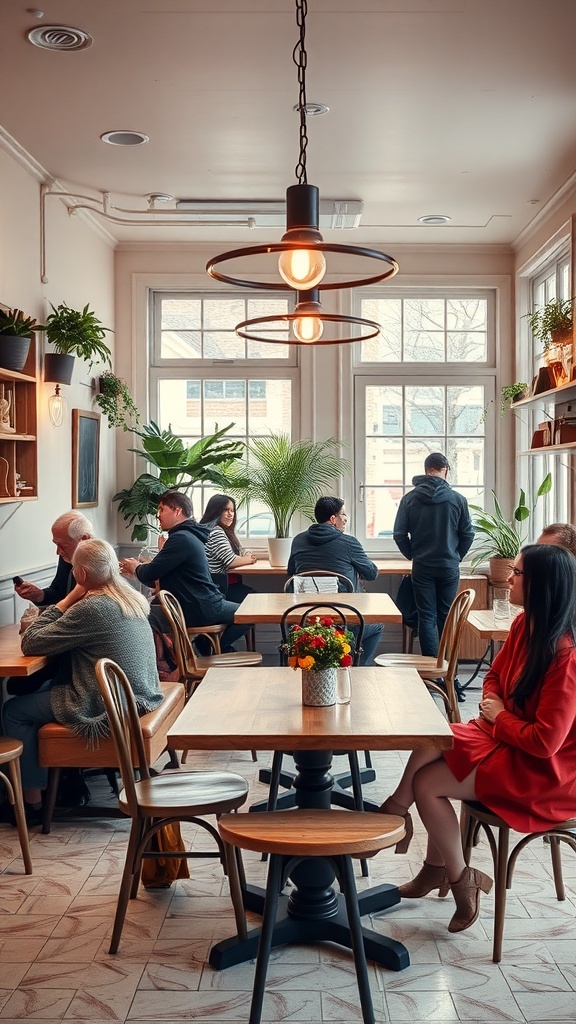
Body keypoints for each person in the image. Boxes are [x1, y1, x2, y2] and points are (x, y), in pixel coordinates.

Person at [379, 543, 576, 933]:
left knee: (428, 783)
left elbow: (546, 743)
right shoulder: (524, 624)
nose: (508, 578)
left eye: (517, 573)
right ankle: (416, 837)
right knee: (430, 736)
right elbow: (493, 677)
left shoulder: (565, 656)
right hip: (506, 738)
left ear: (541, 585)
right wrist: (493, 703)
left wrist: (499, 716)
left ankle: (451, 875)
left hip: (544, 772)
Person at [2, 539, 163, 823]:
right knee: (41, 689)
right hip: (140, 693)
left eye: (73, 567)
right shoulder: (129, 594)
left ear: (82, 575)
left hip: (108, 704)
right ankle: (59, 782)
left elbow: (31, 641)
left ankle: (31, 804)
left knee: (14, 711)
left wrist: (66, 600)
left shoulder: (92, 606)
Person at [120, 490, 250, 650]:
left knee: (250, 613)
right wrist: (137, 570)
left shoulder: (181, 538)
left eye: (162, 509)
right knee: (251, 612)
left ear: (177, 511)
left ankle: (217, 649)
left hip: (203, 607)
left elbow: (149, 573)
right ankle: (214, 649)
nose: (158, 515)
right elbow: (154, 576)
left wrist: (137, 568)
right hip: (200, 606)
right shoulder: (186, 536)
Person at [393, 453, 474, 658]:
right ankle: (448, 673)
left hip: (423, 566)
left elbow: (399, 534)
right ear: (445, 470)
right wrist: (456, 556)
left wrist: (413, 554)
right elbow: (468, 534)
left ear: (426, 470)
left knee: (426, 617)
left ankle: (433, 675)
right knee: (446, 618)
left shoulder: (409, 499)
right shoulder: (458, 500)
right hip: (448, 566)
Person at [287, 496, 382, 665]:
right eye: (343, 515)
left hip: (305, 622)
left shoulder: (298, 540)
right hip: (341, 622)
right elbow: (371, 574)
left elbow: (291, 573)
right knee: (378, 625)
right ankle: (356, 667)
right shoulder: (349, 542)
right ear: (333, 519)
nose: (345, 520)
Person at [14, 510, 94, 607]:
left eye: (64, 545)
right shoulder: (67, 556)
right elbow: (58, 592)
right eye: (56, 544)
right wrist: (39, 595)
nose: (58, 552)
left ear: (84, 539)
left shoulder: (101, 566)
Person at [199, 494, 258, 603]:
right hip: (219, 589)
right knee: (255, 600)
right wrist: (250, 558)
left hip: (222, 585)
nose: (230, 514)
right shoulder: (215, 531)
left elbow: (241, 551)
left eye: (232, 510)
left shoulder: (224, 531)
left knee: (254, 597)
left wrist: (246, 555)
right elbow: (231, 561)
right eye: (226, 510)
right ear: (215, 511)